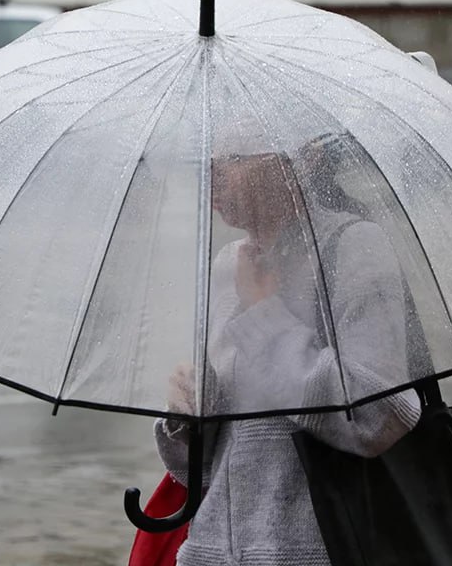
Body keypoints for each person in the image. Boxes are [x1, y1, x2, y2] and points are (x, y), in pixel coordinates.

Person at [153, 135, 423, 566]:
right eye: (207, 157)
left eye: (235, 156)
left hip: (317, 551)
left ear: (303, 156)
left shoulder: (354, 247)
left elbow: (379, 415)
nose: (213, 172)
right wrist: (187, 416)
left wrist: (263, 315)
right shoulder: (229, 263)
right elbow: (210, 472)